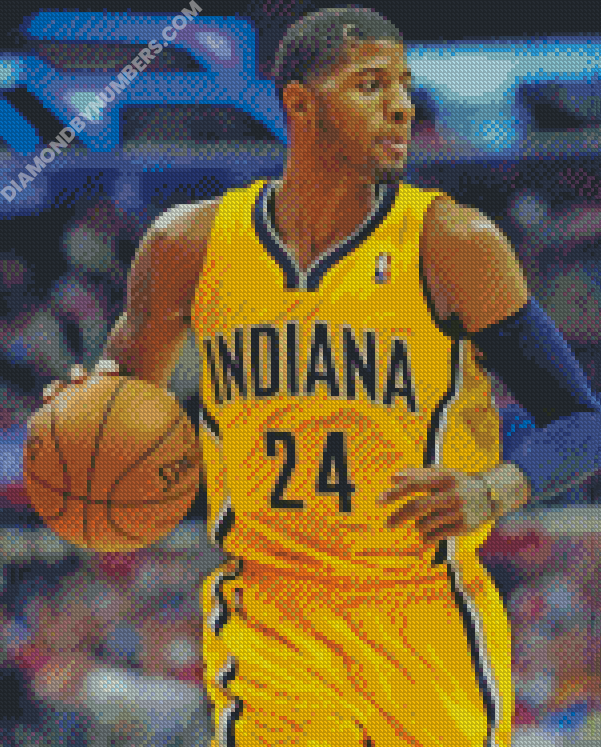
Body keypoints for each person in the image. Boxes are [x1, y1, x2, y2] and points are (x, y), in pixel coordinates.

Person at [42, 7, 601, 746]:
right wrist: (82, 413)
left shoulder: (452, 243)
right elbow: (123, 406)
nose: (400, 106)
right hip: (273, 620)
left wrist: (492, 488)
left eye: (402, 85)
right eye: (370, 85)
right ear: (299, 103)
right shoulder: (188, 244)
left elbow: (581, 421)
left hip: (420, 615)